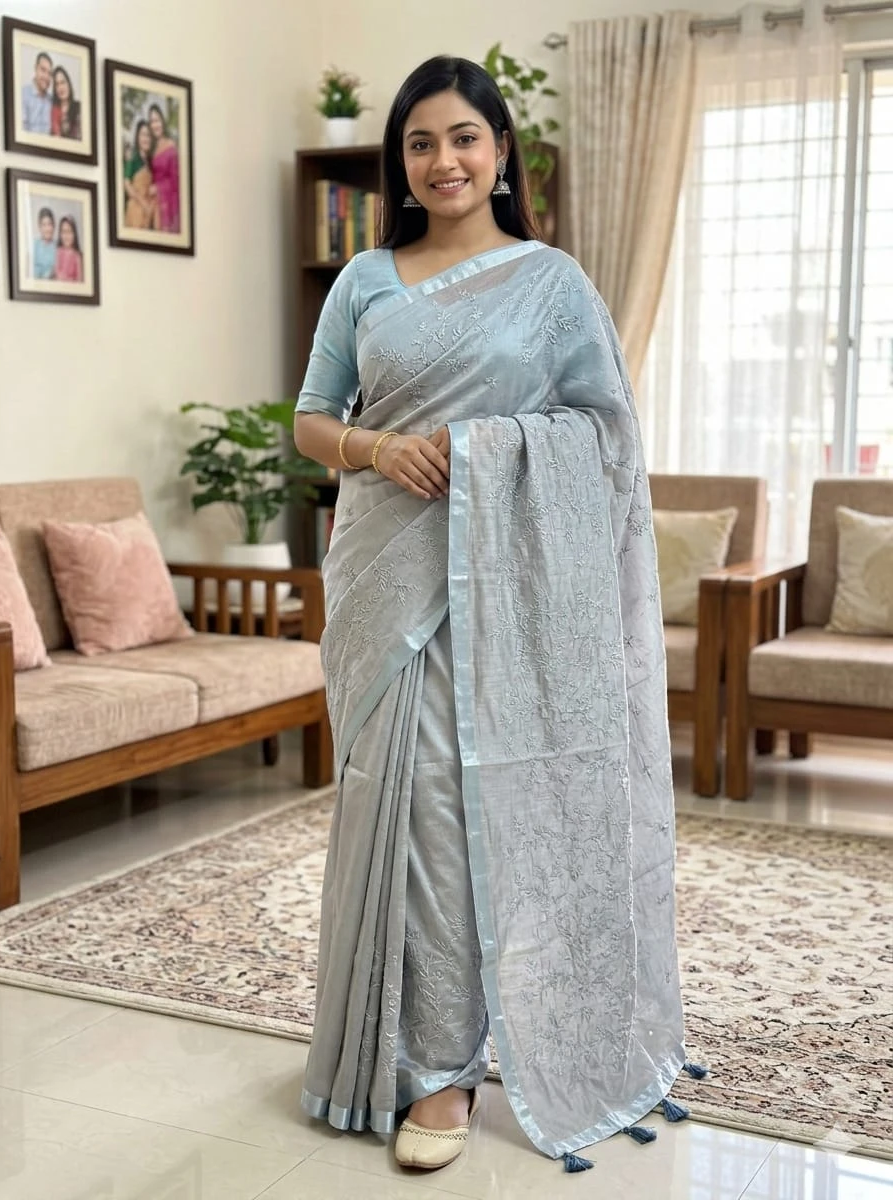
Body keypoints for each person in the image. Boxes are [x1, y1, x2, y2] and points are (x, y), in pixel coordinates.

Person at [294, 55, 686, 1172]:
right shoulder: (364, 278)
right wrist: (379, 448)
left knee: (481, 814)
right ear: (399, 162)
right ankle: (407, 1058)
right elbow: (312, 419)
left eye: (463, 137)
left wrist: (481, 450)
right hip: (385, 581)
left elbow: (605, 436)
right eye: (419, 142)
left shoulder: (552, 284)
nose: (443, 161)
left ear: (500, 151)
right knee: (407, 810)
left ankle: (448, 1070)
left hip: (510, 588)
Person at [148, 104, 180, 233]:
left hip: (167, 203)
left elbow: (176, 181)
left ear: (162, 122)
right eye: (152, 122)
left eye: (157, 120)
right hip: (152, 203)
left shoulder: (171, 147)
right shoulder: (151, 148)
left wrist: (158, 188)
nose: (155, 125)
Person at [124, 120, 157, 229]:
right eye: (143, 135)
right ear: (137, 137)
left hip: (148, 210)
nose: (146, 139)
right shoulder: (133, 157)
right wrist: (142, 203)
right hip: (136, 208)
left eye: (148, 136)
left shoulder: (150, 161)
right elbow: (127, 184)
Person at [21, 51, 53, 135]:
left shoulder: (52, 101)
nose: (46, 76)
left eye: (49, 73)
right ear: (35, 68)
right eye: (43, 70)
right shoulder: (23, 95)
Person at [50, 65, 81, 140]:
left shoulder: (79, 108)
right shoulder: (53, 110)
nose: (60, 87)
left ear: (69, 84)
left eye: (63, 82)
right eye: (57, 84)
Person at [54, 216, 83, 282]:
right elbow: (56, 274)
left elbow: (79, 280)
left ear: (74, 234)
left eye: (69, 232)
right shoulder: (58, 252)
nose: (66, 235)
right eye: (64, 232)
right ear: (60, 234)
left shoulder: (77, 256)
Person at [32, 207, 56, 280]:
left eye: (49, 224)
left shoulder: (58, 246)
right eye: (44, 225)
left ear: (54, 226)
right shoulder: (34, 246)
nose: (47, 229)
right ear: (39, 227)